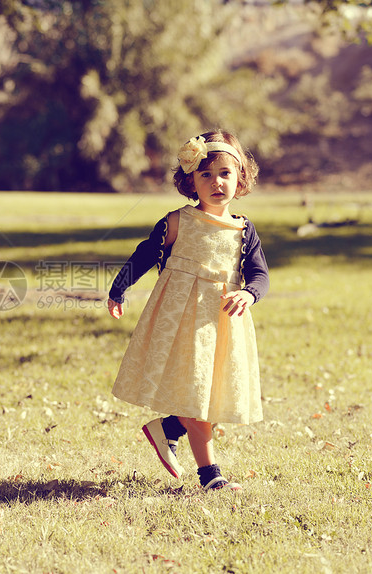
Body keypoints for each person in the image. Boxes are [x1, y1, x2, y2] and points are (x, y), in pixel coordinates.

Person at [107, 130, 269, 491]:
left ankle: (169, 428)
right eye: (206, 175)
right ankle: (211, 475)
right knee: (197, 393)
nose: (216, 183)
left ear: (240, 177)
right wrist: (119, 288)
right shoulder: (177, 221)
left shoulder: (244, 230)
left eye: (225, 174)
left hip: (222, 321)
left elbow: (260, 274)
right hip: (180, 319)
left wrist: (249, 294)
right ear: (190, 180)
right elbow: (145, 254)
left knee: (209, 392)